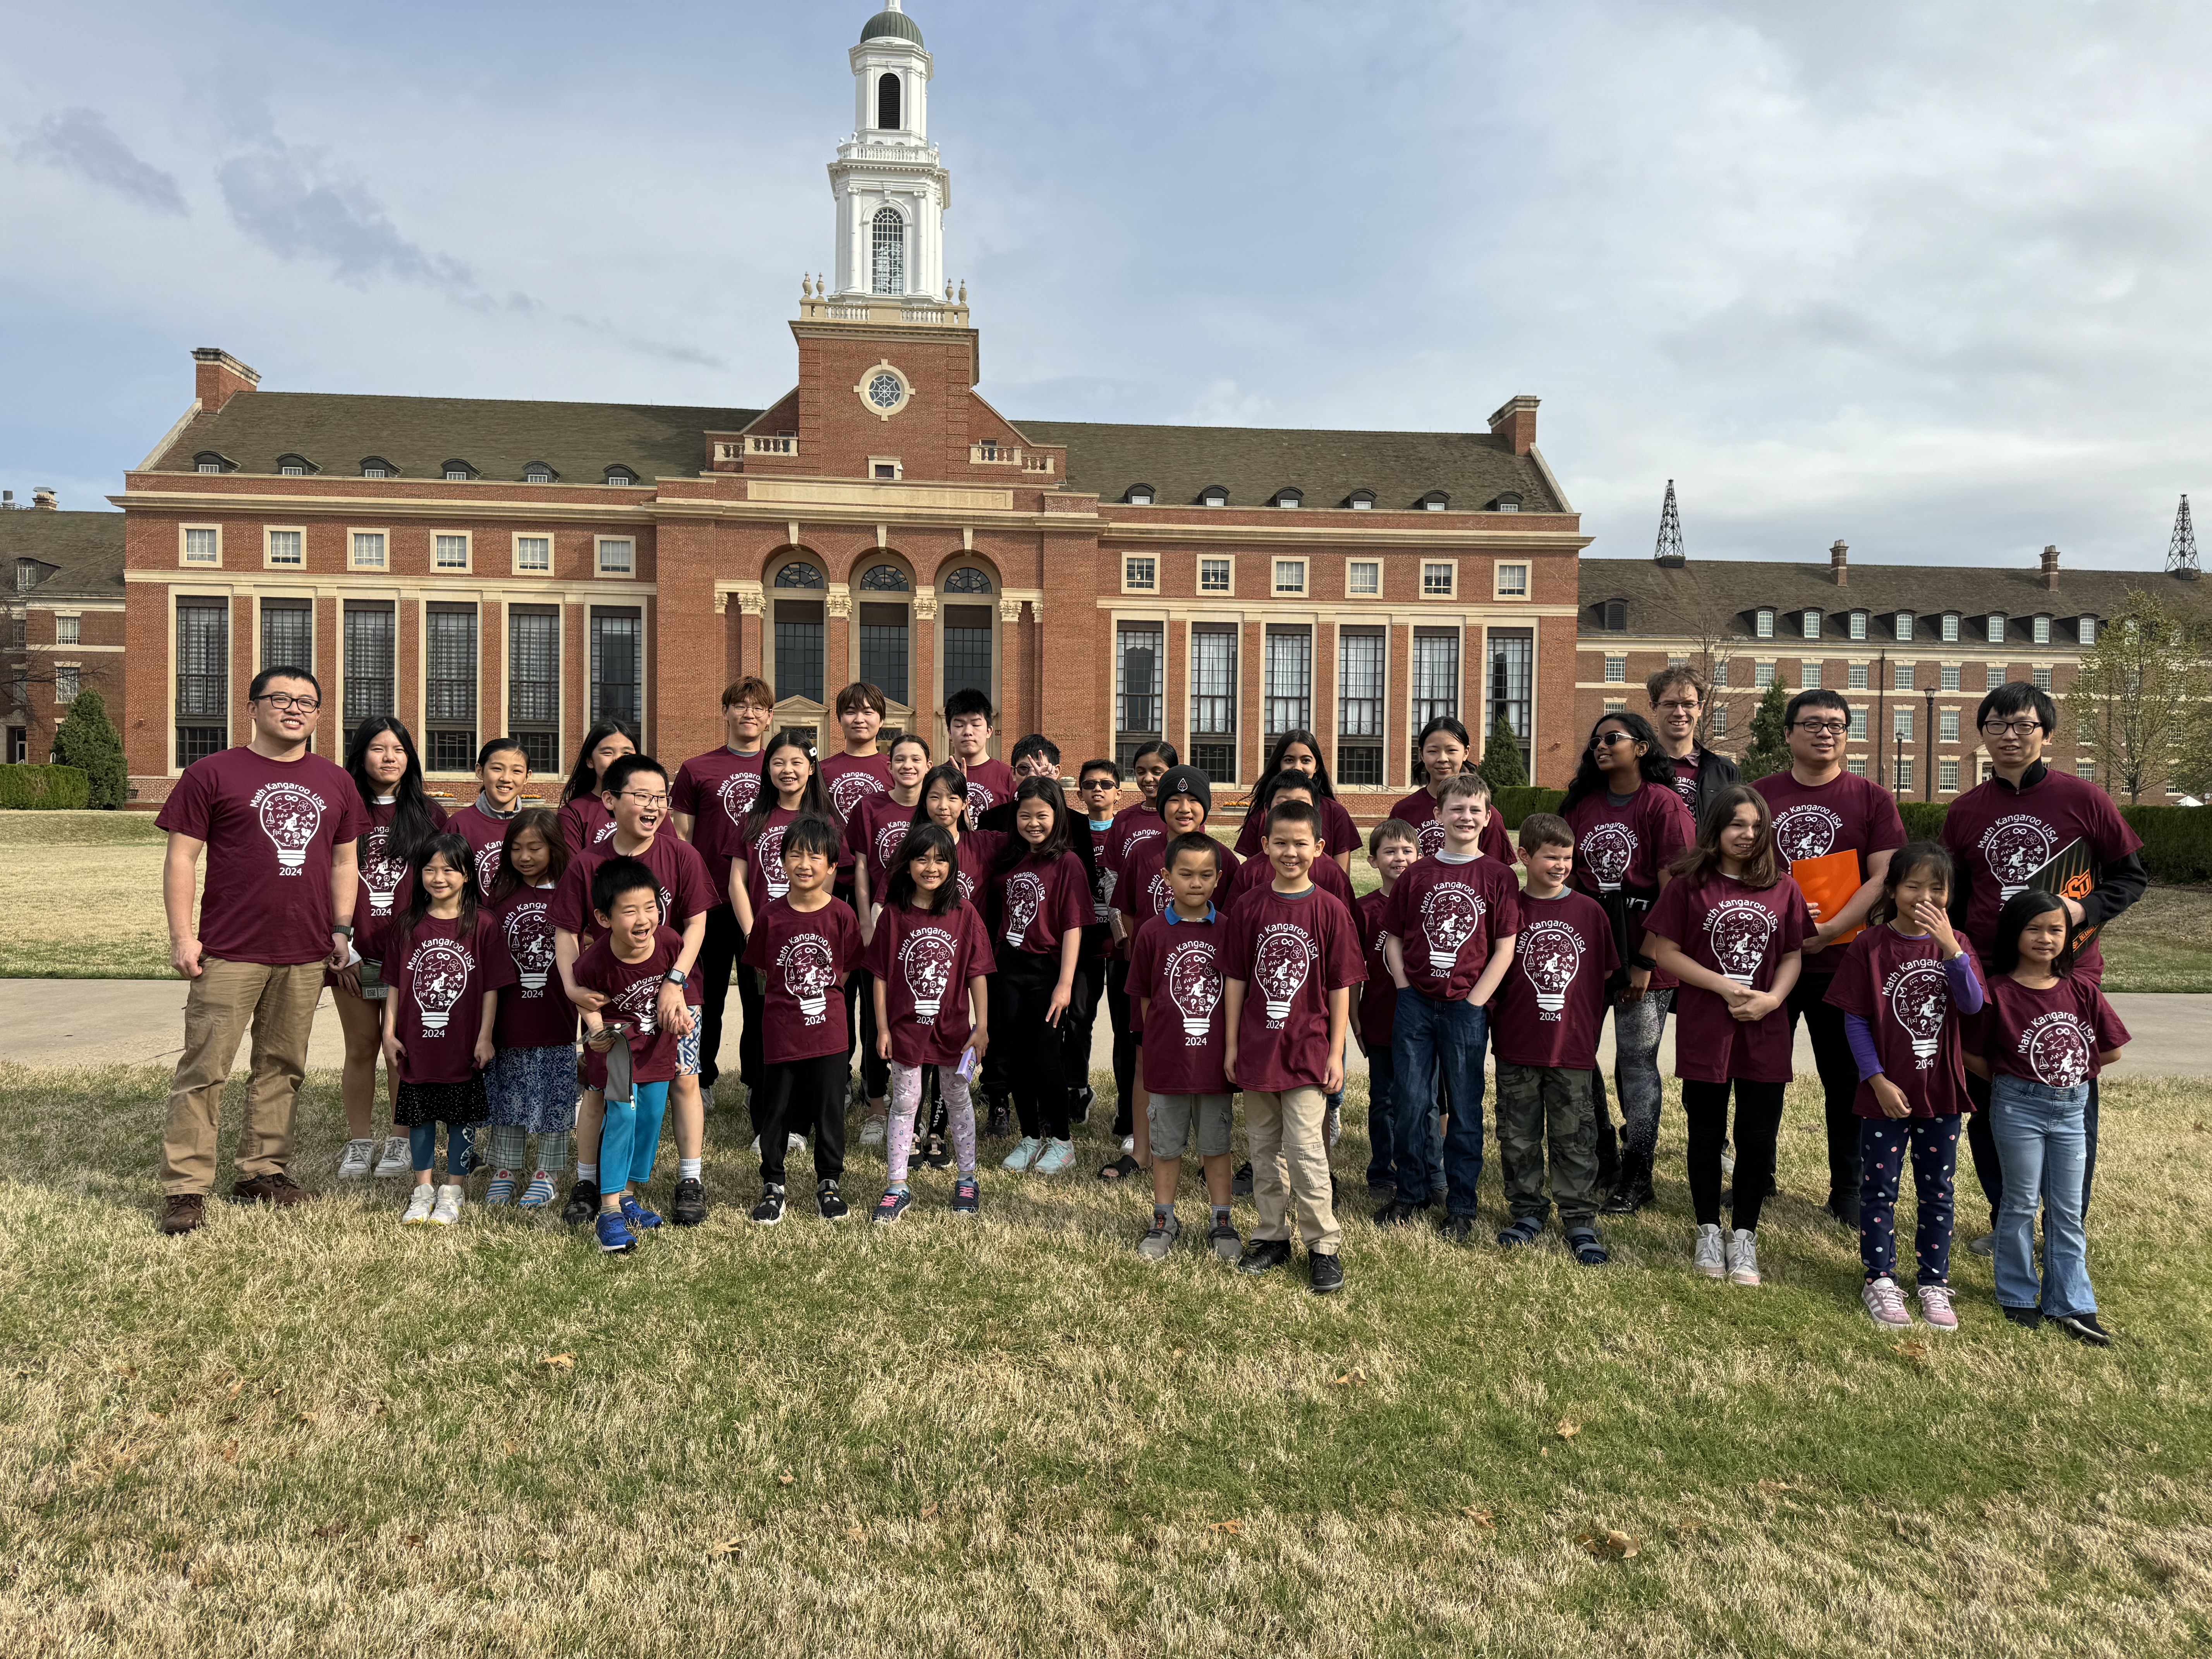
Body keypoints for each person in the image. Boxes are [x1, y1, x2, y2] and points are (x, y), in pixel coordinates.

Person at [155, 666, 365, 1235]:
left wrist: (341, 930)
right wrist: (183, 937)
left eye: (307, 702)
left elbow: (346, 862)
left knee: (282, 1067)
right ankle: (187, 1187)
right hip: (230, 948)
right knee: (205, 1069)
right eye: (281, 699)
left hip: (305, 950)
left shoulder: (336, 781)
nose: (294, 709)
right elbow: (181, 859)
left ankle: (262, 1172)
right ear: (252, 707)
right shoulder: (211, 773)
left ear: (319, 715)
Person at [1942, 681, 2145, 1250]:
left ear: (2046, 734)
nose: (2010, 736)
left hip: (2067, 975)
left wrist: (2081, 910)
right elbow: (1955, 900)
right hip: (1988, 975)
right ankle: (2008, 1219)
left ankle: (2064, 1224)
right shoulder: (1965, 811)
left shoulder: (2085, 799)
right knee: (1985, 1095)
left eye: (2024, 725)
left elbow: (2130, 877)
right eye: (1998, 726)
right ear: (1982, 735)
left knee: (2067, 1098)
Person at [1643, 785, 1811, 1288]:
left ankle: (1745, 1237)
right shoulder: (1689, 884)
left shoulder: (1783, 887)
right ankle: (1709, 1230)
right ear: (1716, 829)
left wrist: (1773, 1000)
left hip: (1765, 1027)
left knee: (1757, 1138)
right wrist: (1726, 987)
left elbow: (1792, 954)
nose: (1748, 834)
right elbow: (1664, 952)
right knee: (1706, 1132)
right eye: (1738, 824)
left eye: (1758, 826)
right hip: (1707, 1027)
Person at [1753, 688, 1906, 1226]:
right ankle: (1756, 1177)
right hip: (1769, 961)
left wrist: (1831, 929)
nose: (1826, 733)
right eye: (1813, 723)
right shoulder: (1759, 795)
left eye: (1838, 725)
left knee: (1846, 1080)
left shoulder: (1871, 798)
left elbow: (1886, 876)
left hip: (1843, 962)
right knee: (1761, 1076)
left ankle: (1848, 1190)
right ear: (1789, 732)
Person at [1822, 843, 1984, 1332]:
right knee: (1879, 1190)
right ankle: (1880, 1279)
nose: (1925, 897)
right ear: (1892, 890)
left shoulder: (1957, 944)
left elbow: (1973, 1005)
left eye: (1937, 888)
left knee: (1938, 1190)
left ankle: (1934, 1282)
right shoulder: (1869, 946)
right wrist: (1877, 1080)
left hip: (1942, 1092)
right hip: (1884, 1094)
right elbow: (1855, 1022)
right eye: (1913, 886)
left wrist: (1953, 950)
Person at [551, 754, 718, 1228]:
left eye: (660, 798)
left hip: (679, 991)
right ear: (610, 800)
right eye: (641, 796)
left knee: (683, 1079)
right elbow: (566, 931)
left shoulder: (681, 855)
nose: (653, 806)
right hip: (610, 999)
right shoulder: (588, 864)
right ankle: (589, 1180)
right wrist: (572, 987)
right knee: (603, 1090)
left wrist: (676, 983)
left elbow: (697, 923)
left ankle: (690, 1177)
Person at [1964, 890, 2130, 1345]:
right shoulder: (1996, 993)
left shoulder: (2080, 989)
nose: (2045, 938)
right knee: (2018, 1203)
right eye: (2033, 929)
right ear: (2013, 934)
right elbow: (1970, 1052)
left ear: (2069, 936)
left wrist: (2066, 1071)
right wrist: (2013, 1079)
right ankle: (2018, 1294)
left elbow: (2111, 1049)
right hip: (2017, 1107)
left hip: (2072, 1108)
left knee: (2067, 1209)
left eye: (2056, 930)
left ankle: (2072, 1303)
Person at [1223, 797, 1364, 1295]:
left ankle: (1323, 1244)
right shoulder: (1249, 907)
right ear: (1263, 846)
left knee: (1306, 1151)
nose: (1289, 852)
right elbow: (1237, 979)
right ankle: (1271, 1236)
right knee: (1263, 1150)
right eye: (1279, 843)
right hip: (1258, 1049)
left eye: (1300, 843)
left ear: (1320, 848)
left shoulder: (1329, 909)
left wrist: (1335, 1051)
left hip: (1306, 1051)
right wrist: (1232, 1045)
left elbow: (1341, 985)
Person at [1559, 710, 1695, 1215]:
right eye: (1595, 740)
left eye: (1612, 738)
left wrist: (1644, 962)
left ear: (1642, 747)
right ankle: (1602, 1155)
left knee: (1636, 1061)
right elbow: (1565, 878)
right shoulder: (1582, 805)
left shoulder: (1664, 805)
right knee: (1577, 1055)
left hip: (1644, 947)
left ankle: (1639, 1173)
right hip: (1587, 947)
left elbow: (1675, 891)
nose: (1601, 746)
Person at [1375, 773, 1521, 1239]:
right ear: (1438, 815)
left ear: (1488, 818)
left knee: (1464, 1107)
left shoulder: (1498, 875)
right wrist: (1403, 987)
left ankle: (1461, 1203)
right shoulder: (1418, 874)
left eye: (1476, 810)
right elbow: (1393, 940)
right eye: (1457, 809)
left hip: (1466, 1009)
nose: (1466, 817)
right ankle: (1411, 1192)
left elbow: (1505, 947)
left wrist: (1476, 1001)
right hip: (1415, 1003)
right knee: (1411, 1101)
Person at [1491, 812, 1619, 1264]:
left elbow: (1604, 972)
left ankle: (1580, 1219)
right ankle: (1527, 1211)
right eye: (1551, 857)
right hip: (1517, 1045)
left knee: (1574, 1136)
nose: (1561, 865)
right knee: (1518, 1135)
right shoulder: (1509, 910)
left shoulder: (1589, 911)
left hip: (1571, 1048)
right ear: (1525, 856)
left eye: (1567, 857)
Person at [1109, 764, 1240, 1181]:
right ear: (1160, 806)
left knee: (1209, 1062)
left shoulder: (1225, 859)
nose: (1184, 808)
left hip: (1208, 983)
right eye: (1174, 800)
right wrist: (1139, 962)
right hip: (1155, 979)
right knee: (1146, 1060)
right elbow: (1124, 912)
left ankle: (1208, 1159)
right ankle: (1142, 1151)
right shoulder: (1143, 854)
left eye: (1193, 801)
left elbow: (1234, 924)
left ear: (1205, 807)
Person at [374, 832, 512, 1226]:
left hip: (463, 1042)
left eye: (449, 870)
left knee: (459, 1117)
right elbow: (396, 985)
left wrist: (485, 1037)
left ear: (467, 875)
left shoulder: (483, 924)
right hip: (417, 1042)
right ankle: (422, 1192)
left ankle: (453, 1192)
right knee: (418, 1116)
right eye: (430, 870)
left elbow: (491, 987)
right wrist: (389, 1032)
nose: (439, 878)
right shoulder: (408, 925)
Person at [333, 714, 447, 1182]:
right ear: (360, 755)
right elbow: (323, 878)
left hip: (411, 957)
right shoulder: (341, 807)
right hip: (355, 953)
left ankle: (401, 1141)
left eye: (398, 750)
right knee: (360, 1048)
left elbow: (444, 885)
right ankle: (360, 1142)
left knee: (401, 1051)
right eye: (379, 749)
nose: (389, 758)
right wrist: (338, 937)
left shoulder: (430, 814)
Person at [571, 856, 704, 1252]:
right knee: (624, 1117)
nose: (644, 919)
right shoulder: (594, 962)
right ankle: (609, 1212)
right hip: (616, 1053)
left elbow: (677, 991)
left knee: (648, 1118)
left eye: (651, 908)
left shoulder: (668, 943)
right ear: (604, 918)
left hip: (659, 1048)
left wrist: (680, 1019)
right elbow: (586, 999)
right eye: (630, 911)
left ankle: (628, 1195)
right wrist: (595, 1029)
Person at [864, 821, 995, 1221]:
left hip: (954, 1030)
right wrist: (883, 1028)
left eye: (940, 860)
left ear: (952, 866)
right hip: (905, 1030)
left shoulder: (965, 914)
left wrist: (982, 1026)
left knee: (958, 1099)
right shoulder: (893, 916)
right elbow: (881, 977)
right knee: (904, 1103)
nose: (931, 867)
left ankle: (967, 1178)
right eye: (922, 859)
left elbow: (977, 973)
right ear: (907, 866)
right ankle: (897, 1184)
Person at [742, 816, 862, 1224]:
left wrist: (818, 1001)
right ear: (782, 861)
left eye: (816, 856)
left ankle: (829, 1181)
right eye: (796, 854)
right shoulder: (770, 917)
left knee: (829, 1109)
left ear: (832, 867)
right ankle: (773, 1183)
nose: (805, 863)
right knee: (776, 1109)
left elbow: (843, 971)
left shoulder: (842, 915)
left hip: (830, 1033)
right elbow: (762, 970)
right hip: (781, 1031)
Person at [1127, 832, 1240, 1263]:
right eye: (1186, 874)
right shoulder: (1152, 933)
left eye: (1206, 875)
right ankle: (1164, 1218)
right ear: (1167, 876)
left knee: (1216, 1143)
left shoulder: (1230, 929)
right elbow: (1145, 998)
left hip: (1214, 1064)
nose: (1196, 883)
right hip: (1169, 1062)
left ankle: (1222, 1218)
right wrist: (1160, 1046)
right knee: (1166, 1145)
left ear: (1218, 879)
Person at [672, 676, 773, 1097]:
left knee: (759, 997)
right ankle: (705, 1079)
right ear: (726, 711)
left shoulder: (781, 766)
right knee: (707, 995)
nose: (749, 713)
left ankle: (755, 1080)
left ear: (769, 718)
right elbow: (681, 838)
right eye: (741, 705)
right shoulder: (698, 769)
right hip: (710, 901)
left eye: (758, 707)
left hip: (763, 902)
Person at [989, 776, 1093, 1175]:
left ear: (1058, 816)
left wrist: (1065, 985)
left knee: (1047, 1057)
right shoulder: (1008, 858)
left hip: (1048, 970)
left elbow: (1073, 927)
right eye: (1025, 815)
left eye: (1042, 815)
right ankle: (1031, 1136)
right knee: (1016, 1057)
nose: (1033, 823)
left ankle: (1062, 1143)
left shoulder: (1067, 863)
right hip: (1009, 969)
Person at [481, 807, 579, 1209]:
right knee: (509, 1094)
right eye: (517, 848)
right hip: (509, 1016)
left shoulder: (570, 892)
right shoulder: (499, 896)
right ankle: (504, 1170)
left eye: (535, 848)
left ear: (553, 848)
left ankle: (547, 1173)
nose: (525, 856)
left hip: (556, 1015)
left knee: (555, 1095)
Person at [850, 732, 934, 1147]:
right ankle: (877, 1109)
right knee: (875, 1019)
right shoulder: (871, 807)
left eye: (915, 759)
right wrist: (866, 923)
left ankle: (915, 1110)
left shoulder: (933, 808)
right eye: (900, 759)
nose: (907, 766)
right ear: (890, 766)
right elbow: (863, 869)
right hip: (882, 921)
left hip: (922, 929)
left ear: (927, 764)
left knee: (916, 1019)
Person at [1354, 820, 1440, 1204]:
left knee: (1428, 1100)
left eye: (1407, 851)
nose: (1400, 858)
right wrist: (1355, 1021)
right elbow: (1352, 972)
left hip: (1425, 1024)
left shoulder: (1430, 904)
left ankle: (1431, 1172)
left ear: (1420, 857)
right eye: (1390, 851)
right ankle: (1383, 1173)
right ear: (1373, 860)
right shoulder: (1364, 911)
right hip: (1380, 1021)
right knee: (1385, 1100)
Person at [1100, 741, 1175, 1156]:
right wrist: (1124, 937)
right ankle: (1128, 1117)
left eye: (1159, 771)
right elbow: (1113, 882)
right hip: (1129, 950)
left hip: (1171, 950)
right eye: (1142, 771)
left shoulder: (1184, 820)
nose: (1149, 778)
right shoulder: (1124, 822)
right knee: (1129, 1036)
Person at [1068, 756, 1123, 1125]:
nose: (1098, 790)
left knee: (1126, 1024)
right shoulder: (1072, 831)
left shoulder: (1130, 829)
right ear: (1080, 793)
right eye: (1091, 784)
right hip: (1086, 942)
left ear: (1119, 792)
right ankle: (1077, 1088)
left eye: (1106, 784)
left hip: (1122, 946)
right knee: (1078, 1018)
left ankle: (1128, 1096)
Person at [1219, 773, 1354, 917]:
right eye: (1283, 804)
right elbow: (1233, 925)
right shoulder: (1250, 872)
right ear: (1267, 811)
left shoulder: (1332, 873)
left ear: (1316, 811)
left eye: (1302, 805)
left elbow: (1347, 927)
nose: (1292, 810)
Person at [1231, 730, 1358, 874]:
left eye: (1306, 760)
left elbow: (1342, 877)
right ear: (1279, 765)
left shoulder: (1336, 813)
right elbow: (1252, 874)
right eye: (1289, 760)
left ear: (1317, 767)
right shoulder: (1261, 815)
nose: (1298, 767)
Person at [1392, 715, 1514, 864]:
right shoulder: (1404, 811)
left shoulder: (1484, 815)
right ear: (1422, 754)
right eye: (1433, 751)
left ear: (1466, 752)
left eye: (1451, 750)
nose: (1442, 759)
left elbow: (1497, 872)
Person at [1645, 666, 1740, 824]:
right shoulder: (1638, 767)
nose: (1680, 712)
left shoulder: (1725, 771)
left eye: (1688, 704)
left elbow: (1738, 826)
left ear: (1700, 708)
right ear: (1654, 707)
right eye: (1670, 704)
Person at [447, 737, 532, 897]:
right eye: (497, 769)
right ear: (480, 771)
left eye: (517, 771)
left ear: (527, 777)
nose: (506, 778)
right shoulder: (459, 825)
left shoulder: (535, 825)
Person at [558, 720, 636, 854]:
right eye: (607, 753)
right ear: (590, 761)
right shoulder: (573, 814)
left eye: (627, 754)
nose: (618, 760)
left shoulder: (652, 806)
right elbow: (571, 871)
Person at [945, 687, 1018, 827]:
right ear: (949, 732)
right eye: (959, 725)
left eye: (976, 724)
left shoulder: (1010, 776)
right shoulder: (937, 777)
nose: (968, 732)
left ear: (989, 731)